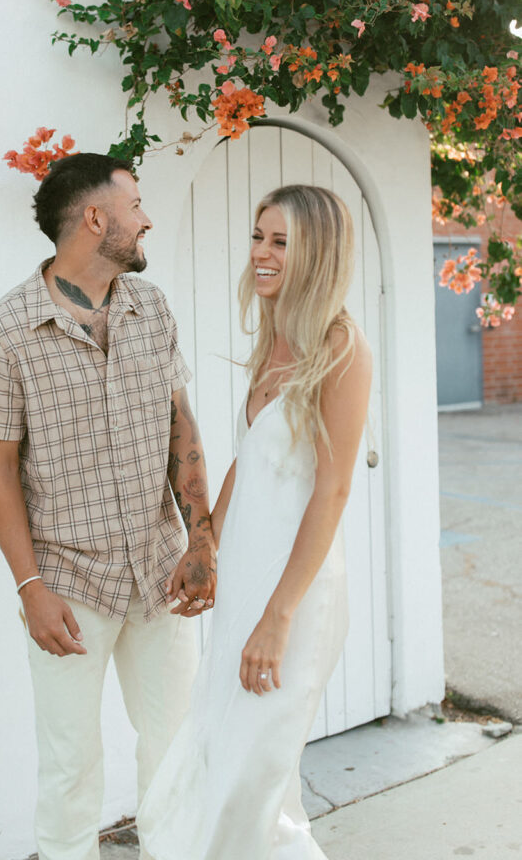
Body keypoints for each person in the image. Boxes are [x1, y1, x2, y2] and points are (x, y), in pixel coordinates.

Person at [0, 153, 216, 860]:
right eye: (135, 204)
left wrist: (201, 542)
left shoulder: (150, 306)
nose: (147, 218)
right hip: (70, 585)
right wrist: (29, 587)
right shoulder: (5, 331)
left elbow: (180, 425)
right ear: (95, 218)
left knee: (174, 752)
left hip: (161, 571)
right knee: (71, 767)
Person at [137, 183, 372, 860]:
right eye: (257, 235)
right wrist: (201, 544)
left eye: (280, 242)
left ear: (317, 254)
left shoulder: (340, 347)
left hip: (294, 595)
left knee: (254, 777)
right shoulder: (276, 336)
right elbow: (250, 459)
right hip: (244, 578)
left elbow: (329, 493)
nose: (260, 254)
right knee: (221, 753)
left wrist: (278, 616)